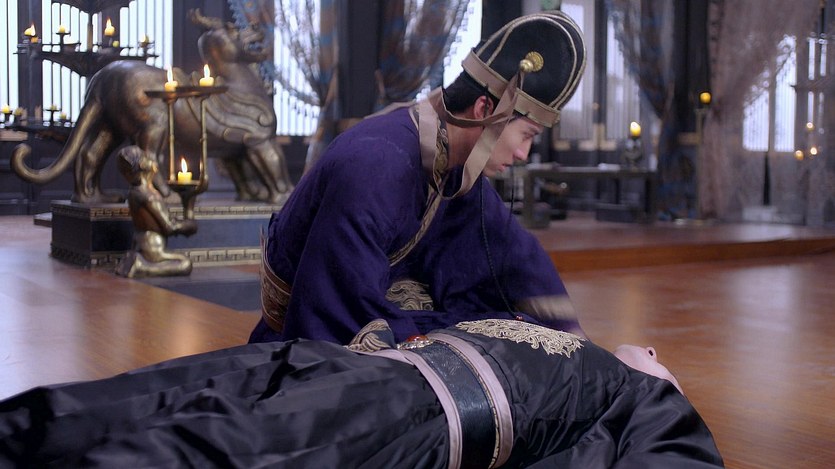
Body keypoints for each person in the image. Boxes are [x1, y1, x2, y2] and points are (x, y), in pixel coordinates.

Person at [251, 11, 588, 345]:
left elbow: (514, 256)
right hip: (307, 337)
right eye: (527, 135)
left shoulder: (452, 163)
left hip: (376, 308)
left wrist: (578, 347)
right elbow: (341, 299)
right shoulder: (377, 161)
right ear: (485, 110)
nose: (524, 154)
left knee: (521, 334)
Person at [0, 319, 723, 467]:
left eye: (664, 364)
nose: (655, 352)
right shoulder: (566, 341)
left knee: (214, 445)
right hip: (354, 364)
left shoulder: (642, 397)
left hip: (412, 414)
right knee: (144, 395)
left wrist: (658, 388)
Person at [114, 146, 197, 278]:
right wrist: (189, 216)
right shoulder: (148, 196)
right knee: (185, 264)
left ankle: (136, 261)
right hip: (152, 248)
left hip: (142, 244)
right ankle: (142, 267)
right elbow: (169, 227)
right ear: (143, 164)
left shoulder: (137, 192)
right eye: (147, 157)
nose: (152, 160)